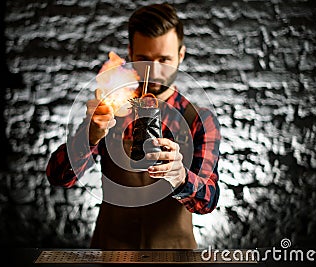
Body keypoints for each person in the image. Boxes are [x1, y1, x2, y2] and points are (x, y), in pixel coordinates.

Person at [46, 2, 221, 249]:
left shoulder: (199, 120)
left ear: (181, 55)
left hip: (174, 258)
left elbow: (208, 200)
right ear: (130, 53)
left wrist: (181, 177)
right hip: (111, 254)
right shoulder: (111, 107)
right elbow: (58, 176)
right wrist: (91, 135)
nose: (154, 70)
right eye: (143, 59)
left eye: (165, 59)